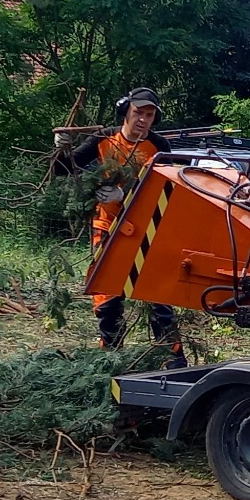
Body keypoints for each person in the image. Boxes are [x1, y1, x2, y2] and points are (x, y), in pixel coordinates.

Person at [75, 88, 185, 366]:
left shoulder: (159, 147)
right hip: (107, 226)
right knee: (108, 297)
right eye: (138, 113)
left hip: (147, 230)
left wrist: (127, 195)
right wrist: (61, 147)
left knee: (158, 297)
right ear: (126, 111)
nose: (143, 120)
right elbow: (64, 168)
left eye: (149, 115)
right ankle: (109, 357)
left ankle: (171, 359)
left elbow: (168, 188)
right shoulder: (102, 140)